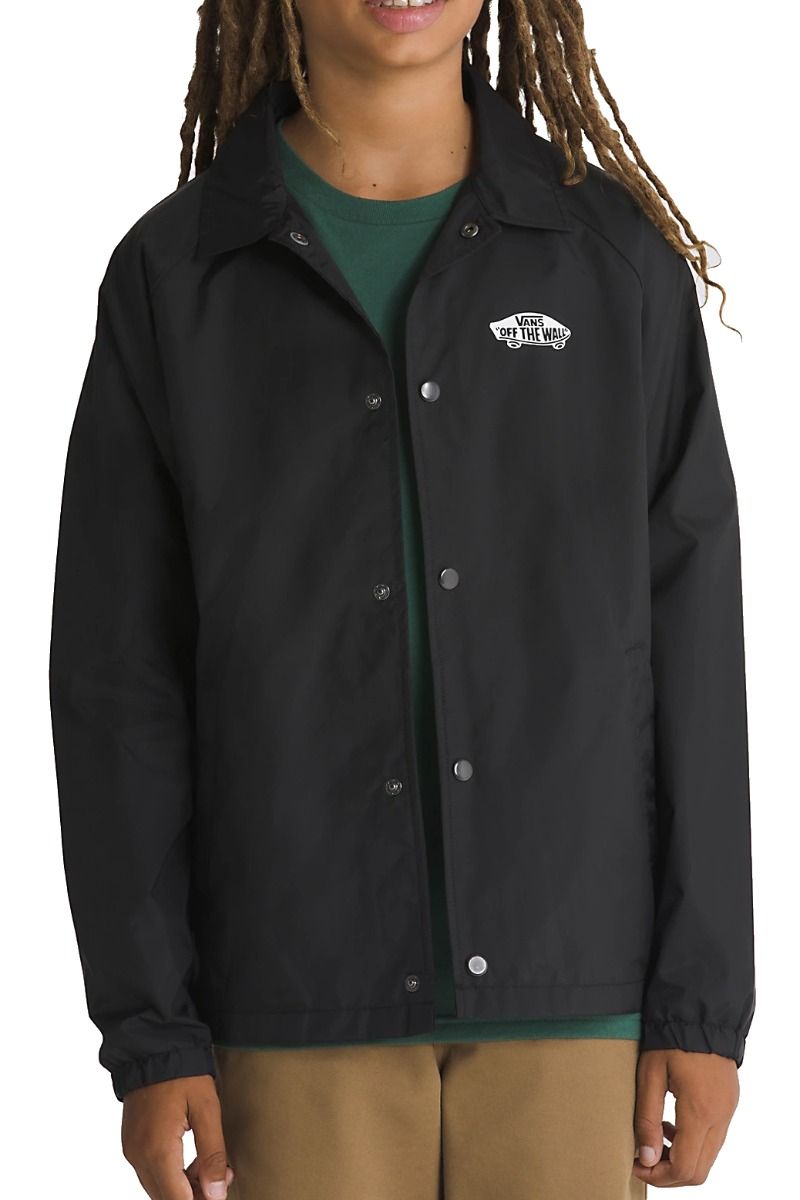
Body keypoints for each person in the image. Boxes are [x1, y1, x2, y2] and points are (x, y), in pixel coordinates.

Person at [48, 1, 755, 1197]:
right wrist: (150, 1029)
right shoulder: (175, 276)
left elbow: (692, 651)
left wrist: (699, 1002)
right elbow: (119, 683)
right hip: (291, 998)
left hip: (574, 998)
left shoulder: (610, 261)